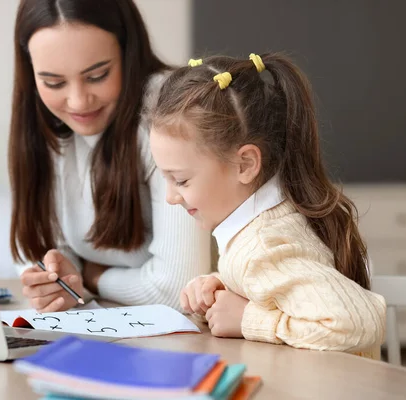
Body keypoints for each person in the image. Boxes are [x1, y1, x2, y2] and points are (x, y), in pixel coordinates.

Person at [147, 52, 386, 359]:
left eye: (180, 180)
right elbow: (287, 287)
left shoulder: (263, 246)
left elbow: (359, 322)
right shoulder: (270, 221)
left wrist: (248, 318)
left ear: (245, 164)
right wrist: (224, 284)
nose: (171, 197)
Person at [8, 0, 212, 313]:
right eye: (54, 82)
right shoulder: (44, 121)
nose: (77, 102)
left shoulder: (171, 114)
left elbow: (178, 289)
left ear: (127, 54)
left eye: (97, 75)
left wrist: (89, 275)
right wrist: (55, 276)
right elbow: (32, 251)